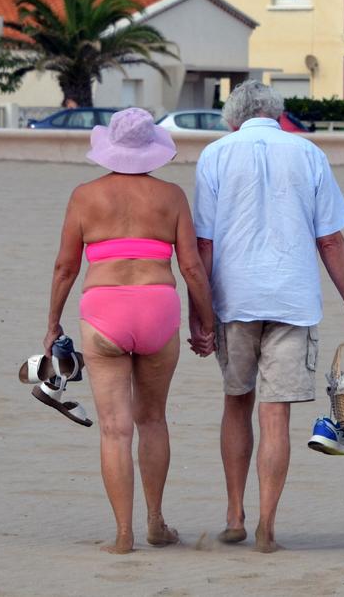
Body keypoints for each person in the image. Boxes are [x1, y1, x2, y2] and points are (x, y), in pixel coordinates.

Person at [190, 80, 344, 553]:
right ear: (278, 115)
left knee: (237, 402)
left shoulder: (214, 154)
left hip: (232, 300)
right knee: (275, 417)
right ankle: (267, 527)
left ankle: (234, 514)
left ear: (233, 118)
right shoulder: (309, 154)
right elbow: (330, 241)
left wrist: (199, 314)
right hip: (293, 301)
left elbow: (204, 245)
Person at [44, 107, 215, 554]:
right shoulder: (173, 196)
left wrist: (52, 324)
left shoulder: (84, 197)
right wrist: (207, 322)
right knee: (153, 419)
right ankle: (157, 523)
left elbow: (65, 267)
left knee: (114, 430)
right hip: (158, 308)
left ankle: (123, 534)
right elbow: (192, 267)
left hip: (103, 312)